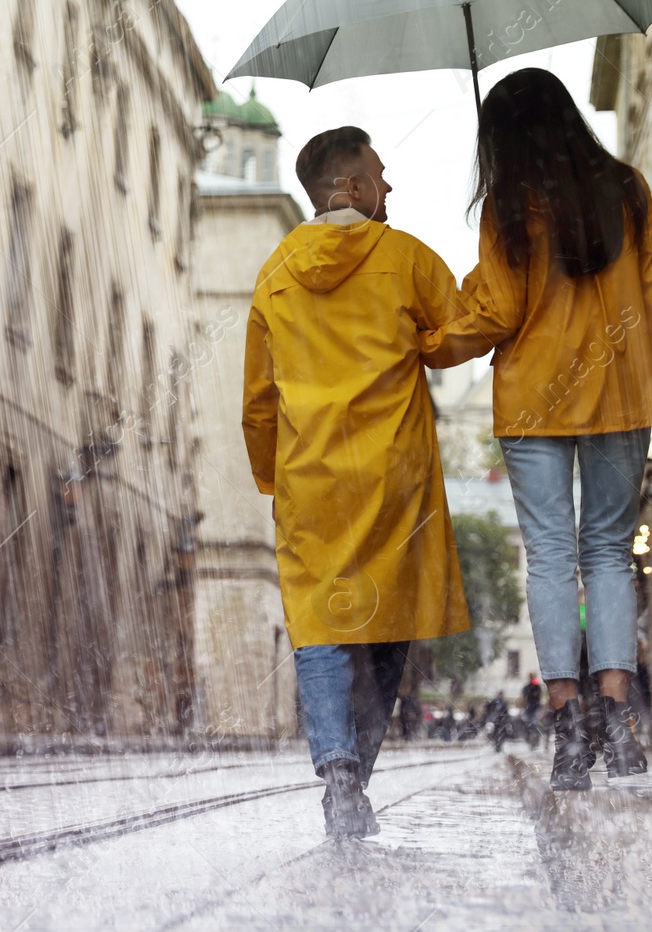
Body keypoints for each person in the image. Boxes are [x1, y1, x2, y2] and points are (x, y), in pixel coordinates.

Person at [419, 68, 652, 791]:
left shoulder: (509, 205)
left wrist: (431, 343)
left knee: (548, 556)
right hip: (620, 392)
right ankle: (618, 717)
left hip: (535, 397)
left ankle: (568, 723)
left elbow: (497, 314)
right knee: (606, 552)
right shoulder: (627, 189)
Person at [243, 126, 471, 839]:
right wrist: (425, 341)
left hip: (310, 481)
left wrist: (271, 480)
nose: (390, 186)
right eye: (380, 173)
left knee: (320, 631)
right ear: (351, 186)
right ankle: (353, 779)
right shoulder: (404, 259)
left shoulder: (276, 271)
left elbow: (257, 400)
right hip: (393, 480)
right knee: (384, 631)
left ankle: (339, 772)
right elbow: (463, 331)